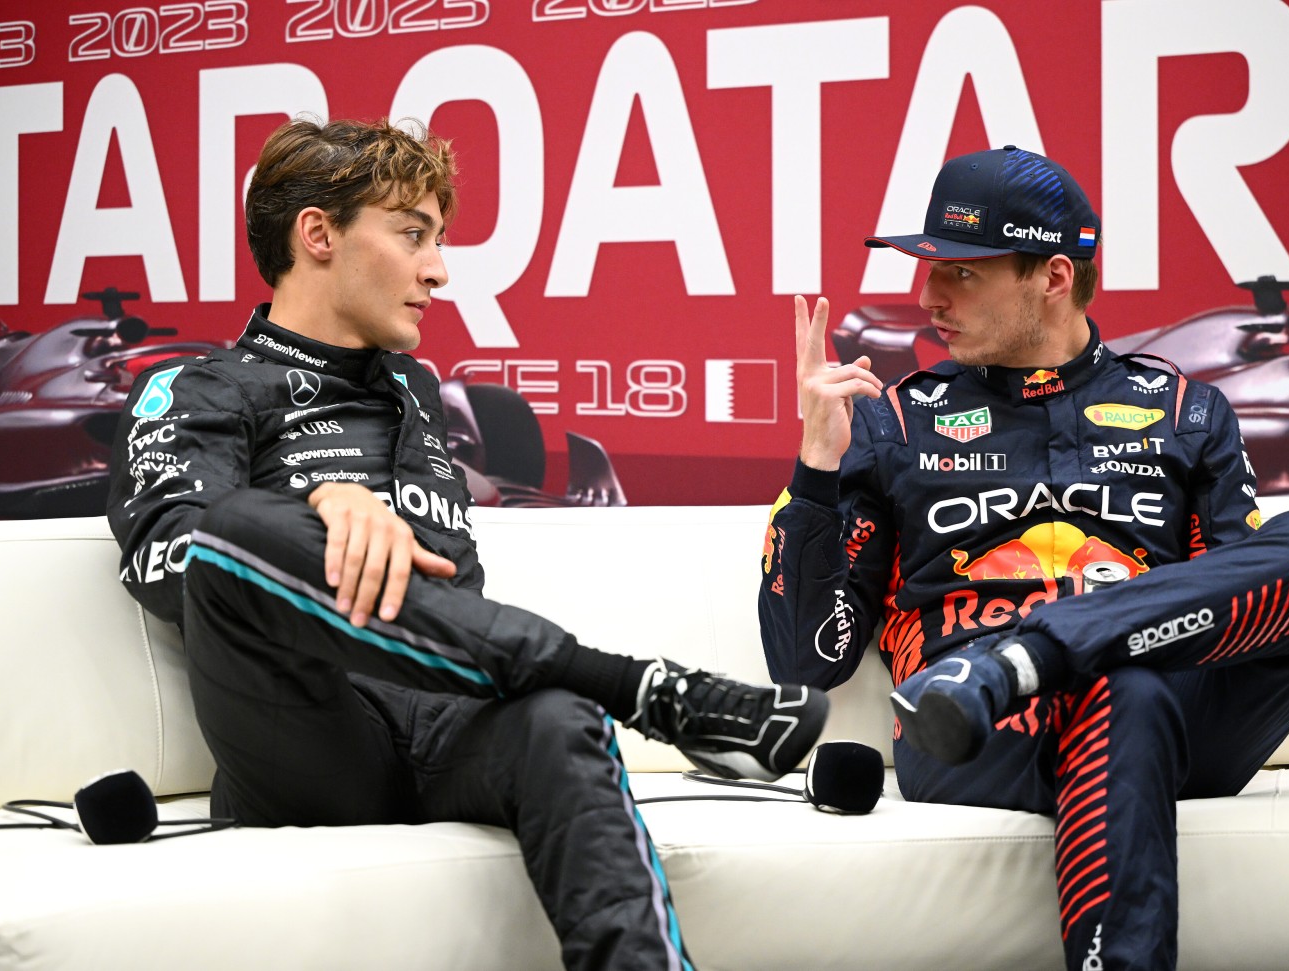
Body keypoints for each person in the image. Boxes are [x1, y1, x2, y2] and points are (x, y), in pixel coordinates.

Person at [108, 116, 827, 971]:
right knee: (229, 532)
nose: (438, 270)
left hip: (449, 717)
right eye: (413, 235)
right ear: (317, 234)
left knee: (559, 719)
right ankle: (642, 686)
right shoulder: (199, 386)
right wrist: (320, 505)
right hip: (307, 732)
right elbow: (167, 558)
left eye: (438, 241)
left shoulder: (417, 389)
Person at [759, 145, 1289, 971]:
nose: (927, 296)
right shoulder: (892, 422)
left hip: (1173, 709)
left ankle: (1034, 654)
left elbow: (1247, 612)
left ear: (1052, 276)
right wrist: (815, 471)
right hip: (973, 724)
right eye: (927, 267)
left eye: (962, 272)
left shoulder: (1189, 411)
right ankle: (1031, 666)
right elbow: (809, 656)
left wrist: (1091, 639)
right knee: (1119, 685)